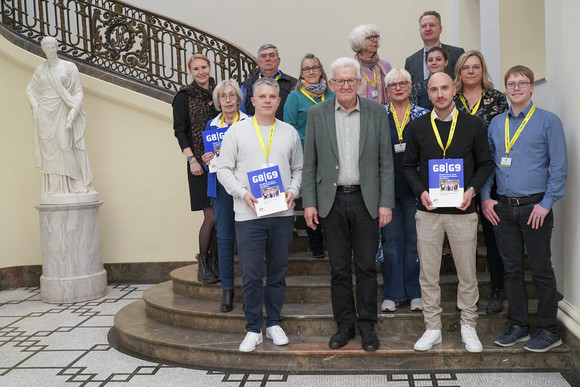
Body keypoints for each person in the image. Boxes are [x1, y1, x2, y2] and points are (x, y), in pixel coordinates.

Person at [303, 57, 395, 352]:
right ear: (330, 84)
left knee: (367, 267)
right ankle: (344, 324)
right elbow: (310, 163)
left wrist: (386, 203)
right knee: (339, 268)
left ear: (359, 83)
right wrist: (309, 203)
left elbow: (385, 162)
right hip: (331, 201)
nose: (345, 85)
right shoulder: (317, 114)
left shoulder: (376, 112)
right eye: (339, 80)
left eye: (350, 80)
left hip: (365, 200)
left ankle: (367, 324)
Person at [402, 72, 493, 353]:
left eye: (444, 88)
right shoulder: (416, 127)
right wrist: (421, 192)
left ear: (454, 89)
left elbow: (486, 164)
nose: (440, 94)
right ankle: (433, 328)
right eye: (434, 89)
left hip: (463, 211)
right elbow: (408, 167)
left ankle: (469, 325)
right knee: (428, 274)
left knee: (467, 273)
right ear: (427, 94)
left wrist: (472, 191)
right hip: (428, 211)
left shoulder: (474, 125)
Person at [481, 65, 567, 353]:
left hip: (535, 208)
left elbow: (559, 168)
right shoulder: (496, 124)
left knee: (541, 269)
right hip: (503, 209)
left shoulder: (548, 121)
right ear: (506, 89)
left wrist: (546, 204)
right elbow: (489, 165)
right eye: (511, 83)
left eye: (522, 83)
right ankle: (517, 324)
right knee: (511, 269)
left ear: (532, 88)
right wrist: (485, 196)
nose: (516, 88)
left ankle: (548, 328)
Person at [217, 77, 303, 352]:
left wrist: (293, 190)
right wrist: (243, 194)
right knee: (253, 274)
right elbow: (223, 169)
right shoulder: (236, 132)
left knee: (278, 272)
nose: (267, 100)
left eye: (272, 97)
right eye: (262, 96)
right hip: (248, 214)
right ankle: (254, 328)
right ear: (253, 102)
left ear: (279, 101)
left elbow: (299, 169)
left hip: (281, 214)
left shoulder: (289, 132)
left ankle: (275, 322)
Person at [453, 50, 509, 315]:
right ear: (460, 71)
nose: (471, 71)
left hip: (490, 176)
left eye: (476, 67)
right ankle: (466, 290)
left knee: (493, 236)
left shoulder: (496, 99)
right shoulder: (451, 99)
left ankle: (497, 289)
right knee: (463, 238)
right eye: (466, 67)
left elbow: (505, 135)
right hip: (457, 177)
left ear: (482, 69)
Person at [379, 68, 429, 313]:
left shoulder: (423, 115)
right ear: (387, 90)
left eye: (403, 84)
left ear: (411, 87)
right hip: (386, 190)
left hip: (416, 189)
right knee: (390, 242)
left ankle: (415, 292)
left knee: (414, 242)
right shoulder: (378, 116)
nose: (398, 88)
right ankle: (392, 292)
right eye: (392, 85)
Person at [26, 36, 95, 198]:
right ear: (43, 49)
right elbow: (29, 89)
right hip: (45, 113)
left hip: (62, 109)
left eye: (52, 47)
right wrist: (35, 106)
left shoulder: (69, 67)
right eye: (47, 48)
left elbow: (78, 91)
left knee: (65, 146)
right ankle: (56, 187)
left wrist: (74, 110)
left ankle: (77, 183)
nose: (50, 50)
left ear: (57, 47)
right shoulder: (40, 70)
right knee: (50, 150)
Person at [203, 80, 249, 312]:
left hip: (245, 186)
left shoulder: (249, 122)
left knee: (250, 237)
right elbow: (210, 156)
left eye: (232, 95)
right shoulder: (211, 125)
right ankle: (227, 290)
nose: (228, 100)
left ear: (239, 100)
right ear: (218, 101)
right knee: (224, 237)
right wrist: (207, 158)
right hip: (221, 187)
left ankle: (252, 289)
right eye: (223, 96)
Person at [172, 53, 218, 284]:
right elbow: (180, 131)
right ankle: (204, 263)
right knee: (210, 216)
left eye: (204, 67)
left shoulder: (220, 94)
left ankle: (216, 263)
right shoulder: (184, 97)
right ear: (191, 72)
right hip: (199, 164)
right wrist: (192, 160)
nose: (201, 72)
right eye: (196, 69)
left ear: (210, 68)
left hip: (221, 164)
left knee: (221, 215)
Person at [284, 53, 334, 258]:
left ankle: (333, 239)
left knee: (329, 198)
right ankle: (316, 244)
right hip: (306, 155)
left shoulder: (332, 95)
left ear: (321, 70)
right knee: (311, 198)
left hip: (331, 156)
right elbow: (290, 127)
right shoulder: (294, 97)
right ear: (301, 73)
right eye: (306, 68)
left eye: (315, 67)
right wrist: (311, 144)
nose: (311, 71)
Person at [404, 10, 465, 84]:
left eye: (432, 25)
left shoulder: (457, 54)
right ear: (420, 30)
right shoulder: (411, 62)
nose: (428, 29)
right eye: (423, 26)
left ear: (440, 29)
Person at [240, 44, 297, 120]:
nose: (268, 59)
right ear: (258, 62)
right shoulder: (247, 86)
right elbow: (241, 115)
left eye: (271, 55)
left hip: (284, 130)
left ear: (278, 61)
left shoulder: (292, 84)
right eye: (263, 56)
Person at [349, 24, 392, 104]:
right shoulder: (351, 67)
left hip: (383, 111)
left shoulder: (385, 65)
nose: (375, 40)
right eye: (370, 37)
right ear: (359, 42)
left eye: (376, 37)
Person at [410, 46, 448, 111]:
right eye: (430, 60)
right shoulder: (417, 88)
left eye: (438, 59)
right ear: (426, 64)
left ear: (446, 62)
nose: (434, 63)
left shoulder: (455, 85)